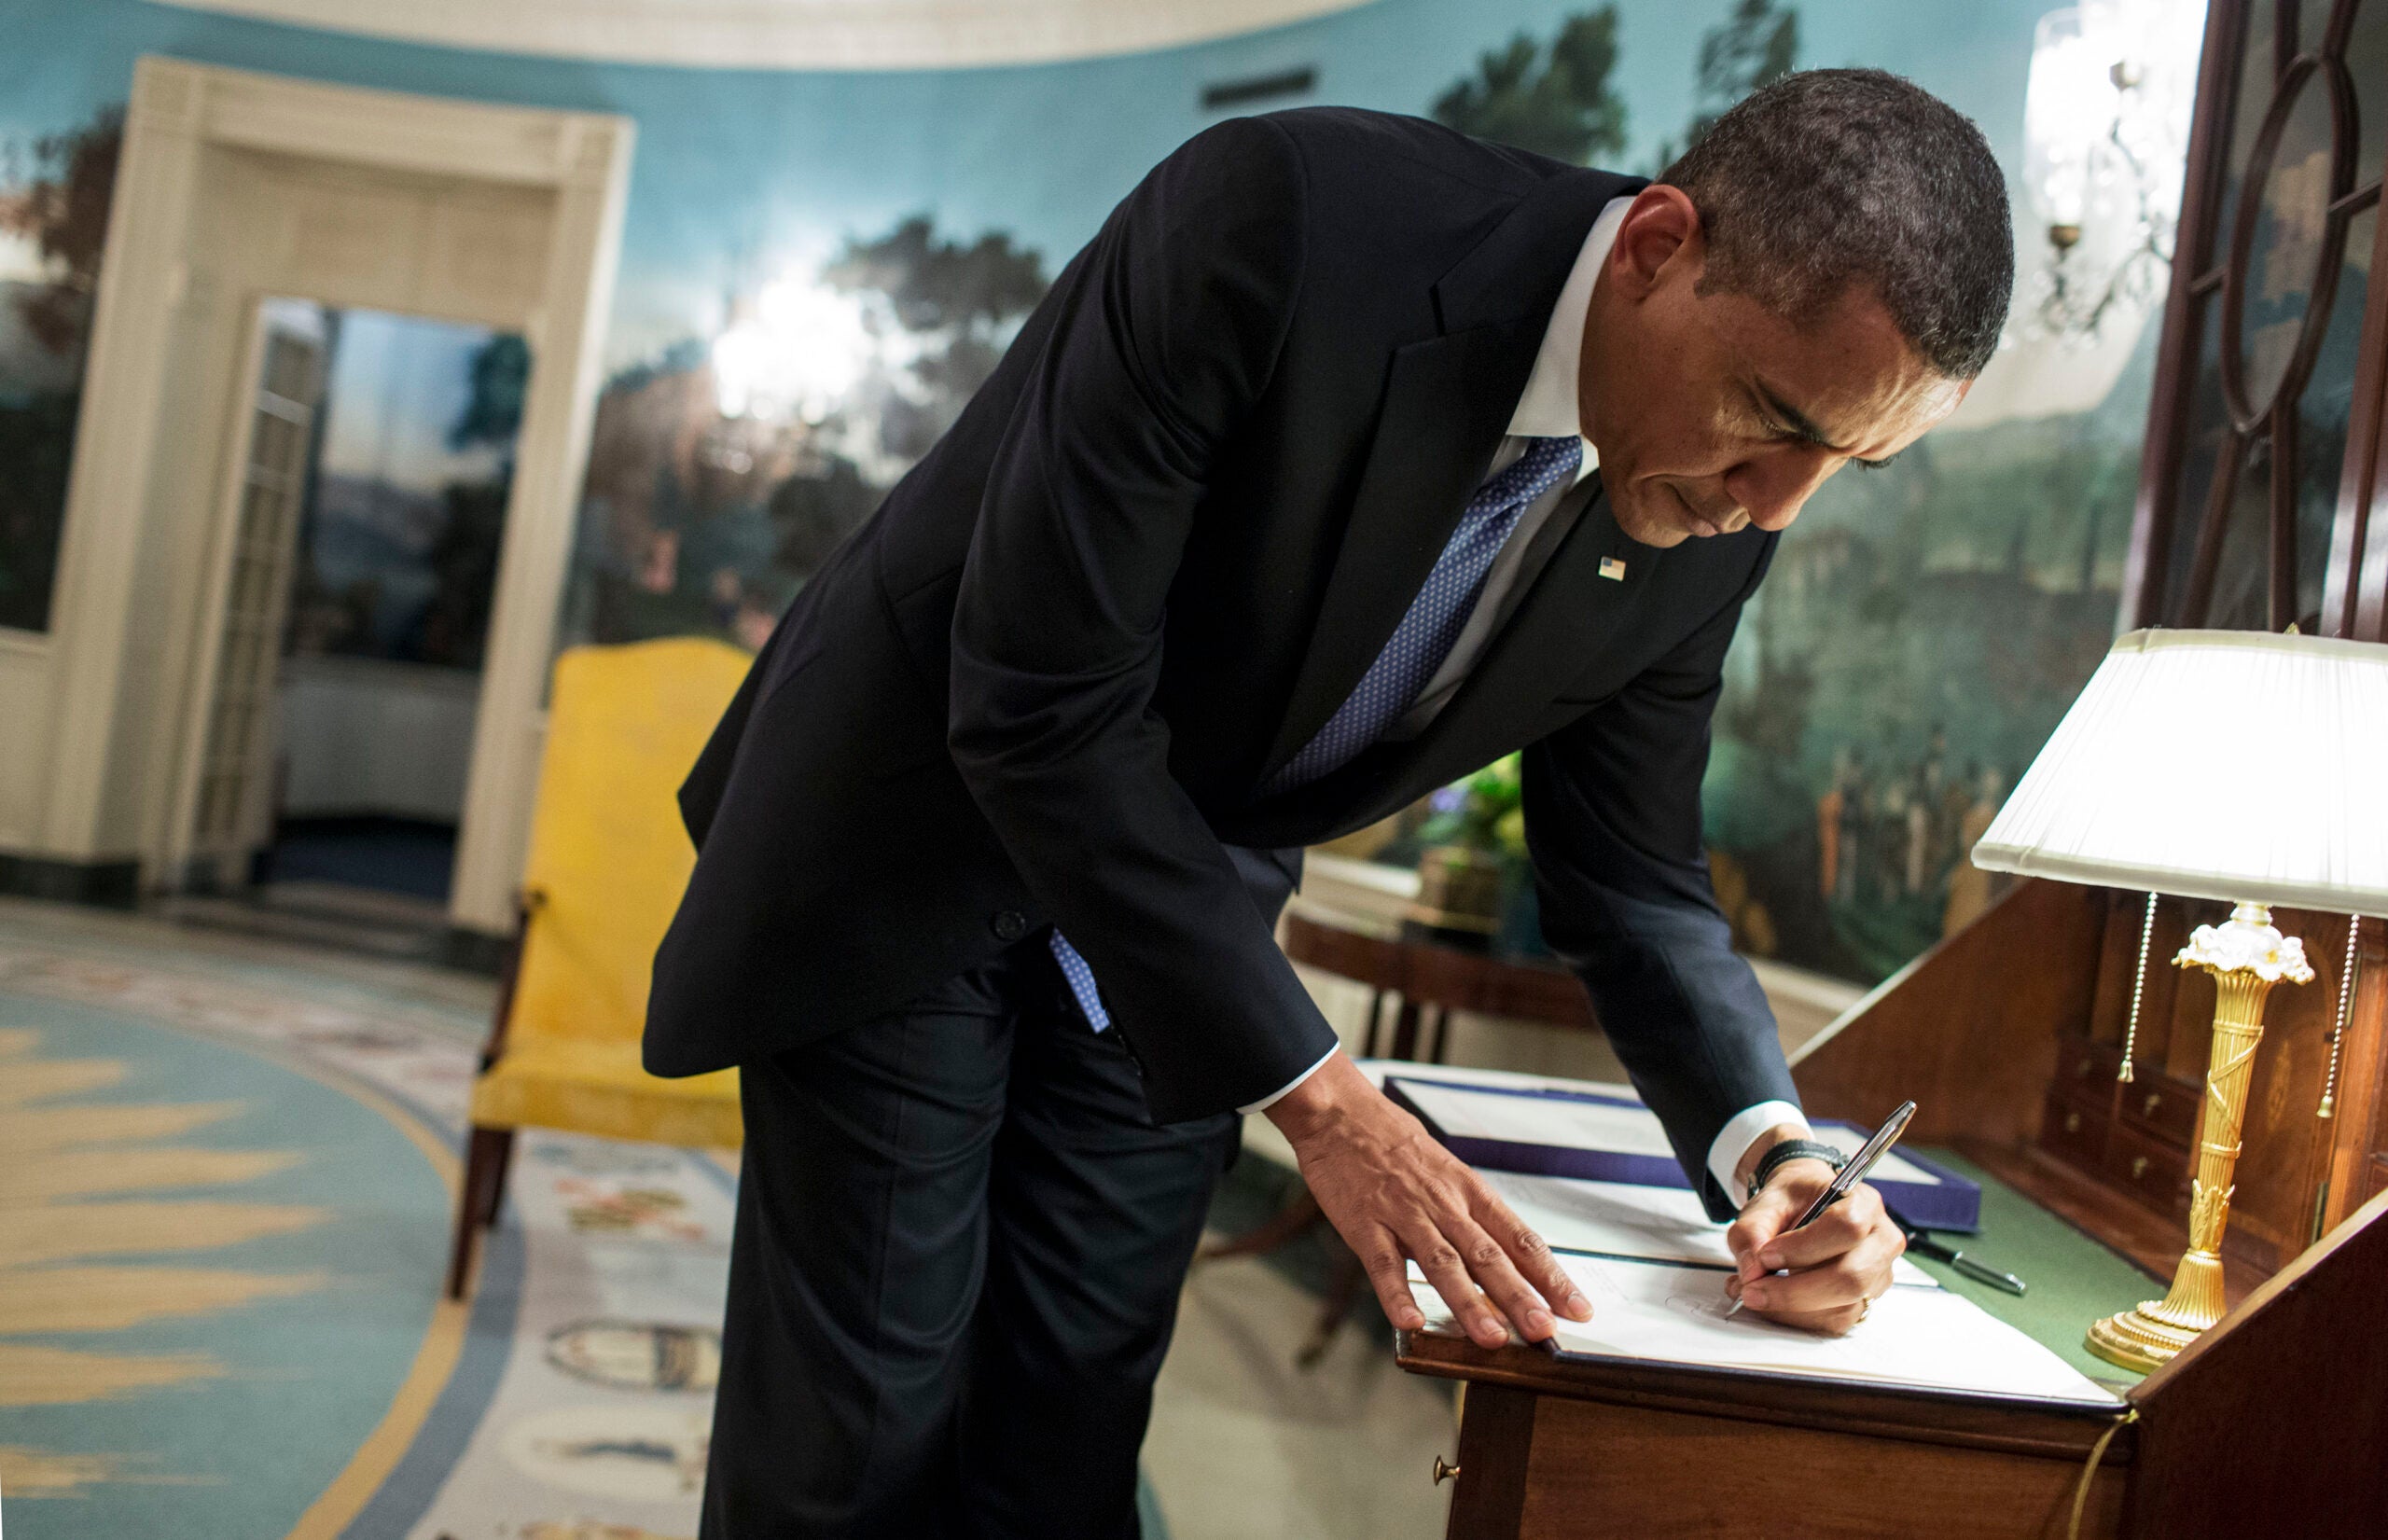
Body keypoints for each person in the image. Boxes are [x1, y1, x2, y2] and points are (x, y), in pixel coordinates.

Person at [648, 69, 2012, 1539]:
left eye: (1849, 465)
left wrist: (1778, 1156)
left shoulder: (1719, 492)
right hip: (917, 834)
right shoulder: (1282, 222)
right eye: (1774, 419)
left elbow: (1632, 876)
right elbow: (1043, 702)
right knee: (861, 1447)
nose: (1777, 503)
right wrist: (1323, 1097)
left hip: (1175, 936)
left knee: (1068, 1430)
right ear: (1655, 247)